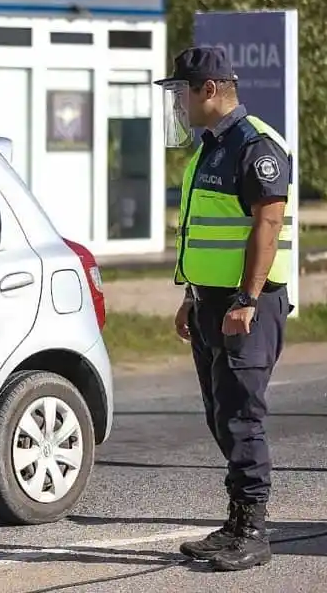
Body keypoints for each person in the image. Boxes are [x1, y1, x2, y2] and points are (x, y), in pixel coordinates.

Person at [155, 46, 293, 572]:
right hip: (211, 304)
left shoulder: (254, 144)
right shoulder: (212, 146)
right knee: (221, 413)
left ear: (208, 89)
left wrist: (247, 299)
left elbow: (268, 223)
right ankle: (236, 522)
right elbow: (208, 233)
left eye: (181, 93)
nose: (179, 105)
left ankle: (253, 529)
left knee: (242, 417)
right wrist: (192, 298)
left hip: (247, 306)